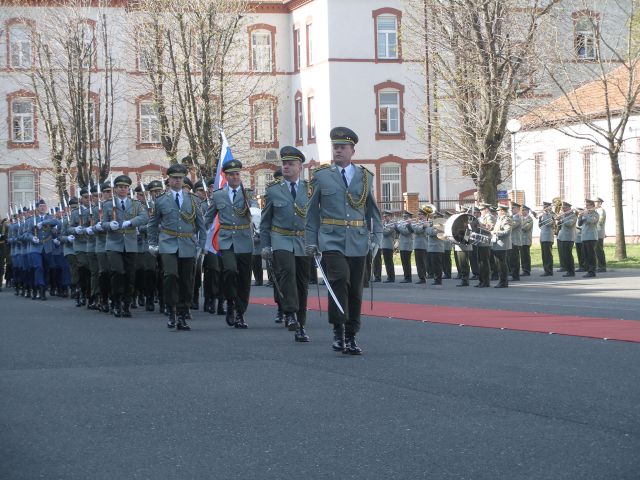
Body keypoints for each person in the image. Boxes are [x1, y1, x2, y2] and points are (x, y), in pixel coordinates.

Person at [305, 126, 382, 355]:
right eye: (335, 147)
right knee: (339, 280)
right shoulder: (321, 176)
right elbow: (312, 213)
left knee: (355, 289)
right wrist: (311, 241)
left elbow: (373, 212)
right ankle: (338, 331)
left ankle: (351, 335)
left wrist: (377, 238)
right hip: (331, 239)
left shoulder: (365, 177)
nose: (338, 151)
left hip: (358, 240)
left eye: (342, 147)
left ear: (352, 151)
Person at [261, 146, 311, 342]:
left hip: (303, 240)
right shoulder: (274, 190)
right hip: (281, 238)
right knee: (287, 272)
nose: (286, 167)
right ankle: (290, 312)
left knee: (302, 282)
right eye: (284, 164)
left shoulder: (309, 189)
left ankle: (301, 324)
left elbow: (316, 219)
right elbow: (265, 221)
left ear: (300, 167)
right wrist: (266, 245)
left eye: (291, 164)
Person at [148, 164, 205, 329]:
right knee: (171, 275)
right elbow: (152, 224)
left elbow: (201, 225)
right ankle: (171, 309)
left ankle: (182, 312)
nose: (177, 180)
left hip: (188, 244)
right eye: (174, 178)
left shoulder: (193, 200)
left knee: (187, 280)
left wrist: (201, 246)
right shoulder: (161, 200)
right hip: (168, 243)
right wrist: (152, 243)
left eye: (180, 178)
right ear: (169, 180)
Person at [204, 160, 254, 329]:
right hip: (226, 240)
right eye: (231, 174)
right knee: (230, 270)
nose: (235, 177)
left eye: (237, 174)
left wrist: (256, 216)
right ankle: (230, 303)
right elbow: (208, 216)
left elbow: (255, 211)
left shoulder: (247, 194)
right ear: (225, 176)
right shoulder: (218, 195)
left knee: (244, 278)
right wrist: (197, 231)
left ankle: (240, 313)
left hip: (244, 239)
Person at [101, 175, 148, 317]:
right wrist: (110, 225)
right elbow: (103, 223)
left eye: (125, 187)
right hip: (114, 243)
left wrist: (131, 222)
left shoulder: (135, 204)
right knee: (117, 272)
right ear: (115, 189)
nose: (123, 189)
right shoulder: (108, 204)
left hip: (131, 244)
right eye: (120, 187)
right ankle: (116, 302)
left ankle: (126, 304)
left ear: (128, 189)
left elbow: (144, 217)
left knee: (130, 275)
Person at [491, 204, 512, 288]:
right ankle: (501, 281)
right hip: (497, 244)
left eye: (498, 210)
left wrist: (496, 233)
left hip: (502, 245)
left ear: (502, 211)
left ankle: (503, 282)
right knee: (499, 264)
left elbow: (507, 232)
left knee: (502, 264)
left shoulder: (506, 219)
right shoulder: (499, 219)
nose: (497, 212)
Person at [578, 199, 599, 278]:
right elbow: (579, 224)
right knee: (586, 255)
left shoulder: (595, 214)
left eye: (587, 205)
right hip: (584, 237)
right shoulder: (585, 214)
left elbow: (591, 221)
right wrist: (580, 216)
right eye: (586, 205)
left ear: (592, 206)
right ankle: (588, 270)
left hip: (591, 237)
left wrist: (585, 214)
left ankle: (592, 271)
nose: (586, 207)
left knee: (591, 255)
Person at [475, 203, 494, 288]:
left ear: (486, 209)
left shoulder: (489, 217)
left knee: (484, 262)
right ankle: (481, 280)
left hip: (486, 242)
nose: (481, 211)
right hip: (480, 241)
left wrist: (480, 226)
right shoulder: (481, 217)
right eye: (480, 210)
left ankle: (486, 281)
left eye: (482, 210)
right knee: (480, 262)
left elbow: (491, 228)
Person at [556, 201, 577, 277]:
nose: (563, 209)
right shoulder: (564, 215)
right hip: (563, 237)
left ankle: (571, 271)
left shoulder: (573, 216)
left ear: (569, 208)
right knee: (564, 255)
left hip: (569, 238)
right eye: (563, 208)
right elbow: (560, 225)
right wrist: (559, 220)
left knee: (568, 255)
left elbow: (569, 224)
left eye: (564, 208)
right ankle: (568, 270)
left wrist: (562, 218)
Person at [425, 211, 445, 285]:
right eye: (434, 217)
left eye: (435, 217)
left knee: (437, 265)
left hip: (437, 247)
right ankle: (436, 278)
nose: (434, 219)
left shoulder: (440, 225)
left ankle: (438, 280)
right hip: (433, 247)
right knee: (434, 265)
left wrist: (427, 227)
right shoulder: (435, 225)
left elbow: (432, 233)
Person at [396, 210, 414, 283]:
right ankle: (406, 277)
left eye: (405, 216)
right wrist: (396, 227)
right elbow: (398, 232)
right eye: (403, 216)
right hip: (402, 245)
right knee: (404, 262)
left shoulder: (410, 224)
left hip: (407, 245)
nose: (404, 218)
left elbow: (405, 232)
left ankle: (408, 278)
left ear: (409, 217)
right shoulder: (403, 223)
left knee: (406, 263)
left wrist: (398, 226)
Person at [538, 201, 555, 276]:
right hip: (543, 237)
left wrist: (543, 216)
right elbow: (540, 226)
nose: (544, 208)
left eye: (545, 207)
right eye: (543, 207)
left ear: (549, 207)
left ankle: (549, 271)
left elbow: (549, 223)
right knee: (544, 255)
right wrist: (540, 219)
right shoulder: (544, 214)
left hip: (548, 237)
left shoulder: (552, 214)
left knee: (548, 255)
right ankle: (546, 270)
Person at [412, 208, 428, 284]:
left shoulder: (426, 223)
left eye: (420, 214)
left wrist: (422, 227)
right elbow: (414, 229)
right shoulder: (418, 223)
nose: (418, 216)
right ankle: (421, 277)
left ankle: (423, 277)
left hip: (422, 245)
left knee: (421, 263)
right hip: (417, 245)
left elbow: (417, 231)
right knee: (418, 263)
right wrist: (421, 226)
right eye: (418, 214)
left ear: (424, 215)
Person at [381, 211, 396, 283]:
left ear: (390, 216)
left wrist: (382, 226)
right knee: (386, 262)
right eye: (384, 217)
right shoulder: (385, 224)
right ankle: (389, 276)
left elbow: (385, 233)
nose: (384, 218)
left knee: (389, 262)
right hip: (384, 245)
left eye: (386, 216)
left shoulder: (392, 224)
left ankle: (391, 277)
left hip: (389, 245)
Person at [509, 202, 522, 281]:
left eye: (513, 208)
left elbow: (512, 226)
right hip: (511, 241)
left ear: (518, 209)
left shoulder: (517, 217)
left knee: (515, 259)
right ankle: (513, 274)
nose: (512, 210)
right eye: (512, 208)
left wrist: (507, 222)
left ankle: (516, 276)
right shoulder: (511, 217)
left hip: (515, 241)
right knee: (511, 259)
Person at [520, 206, 533, 276]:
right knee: (522, 256)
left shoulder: (529, 219)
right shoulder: (521, 218)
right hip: (521, 240)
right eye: (522, 210)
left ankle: (527, 270)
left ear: (528, 211)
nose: (523, 212)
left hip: (526, 240)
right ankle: (524, 269)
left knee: (526, 256)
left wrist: (518, 225)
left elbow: (526, 228)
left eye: (524, 210)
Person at [595, 197, 607, 272]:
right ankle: (598, 266)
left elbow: (600, 222)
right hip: (595, 232)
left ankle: (602, 266)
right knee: (596, 250)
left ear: (600, 203)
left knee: (599, 250)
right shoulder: (595, 210)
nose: (594, 203)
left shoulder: (601, 211)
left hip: (599, 232)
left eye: (596, 202)